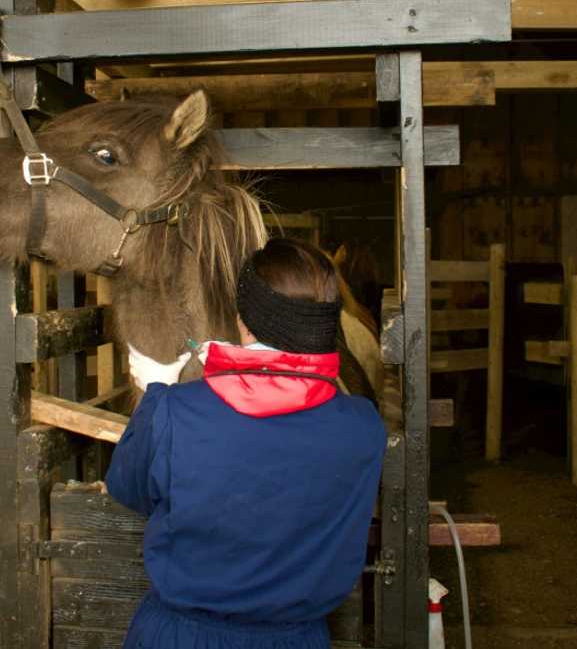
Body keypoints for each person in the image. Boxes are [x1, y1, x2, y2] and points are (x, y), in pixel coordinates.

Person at [105, 238, 387, 649]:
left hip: (180, 636)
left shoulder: (174, 411)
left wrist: (157, 393)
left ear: (243, 321)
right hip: (298, 638)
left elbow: (127, 489)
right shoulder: (363, 426)